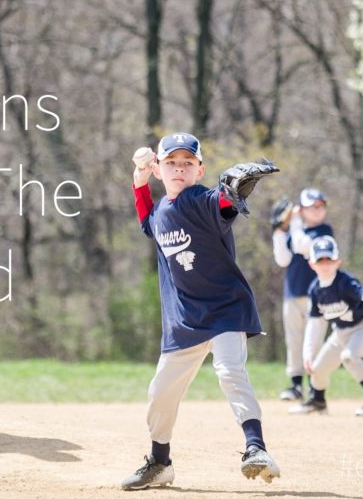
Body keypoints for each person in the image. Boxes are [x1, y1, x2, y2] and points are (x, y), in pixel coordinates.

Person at [120, 132, 280, 490]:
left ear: (199, 170)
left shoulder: (201, 200)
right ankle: (160, 463)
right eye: (171, 162)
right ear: (160, 169)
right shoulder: (161, 210)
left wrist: (232, 192)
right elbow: (147, 220)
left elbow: (223, 205)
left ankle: (256, 448)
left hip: (225, 309)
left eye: (188, 163)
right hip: (184, 320)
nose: (180, 168)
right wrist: (139, 181)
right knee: (161, 392)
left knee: (229, 371)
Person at [289, 236, 363, 416]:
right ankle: (318, 401)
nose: (325, 264)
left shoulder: (344, 282)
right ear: (311, 264)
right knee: (317, 369)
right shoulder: (315, 290)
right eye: (320, 260)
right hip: (340, 334)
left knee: (349, 357)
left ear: (338, 261)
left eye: (329, 259)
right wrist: (307, 353)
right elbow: (315, 324)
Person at [272, 188, 334, 401]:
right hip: (293, 292)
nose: (317, 210)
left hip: (316, 296)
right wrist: (279, 231)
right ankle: (296, 385)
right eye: (312, 206)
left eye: (320, 206)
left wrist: (295, 221)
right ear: (302, 208)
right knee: (295, 341)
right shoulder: (294, 231)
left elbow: (302, 246)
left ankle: (316, 389)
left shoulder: (324, 231)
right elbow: (283, 259)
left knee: (313, 343)